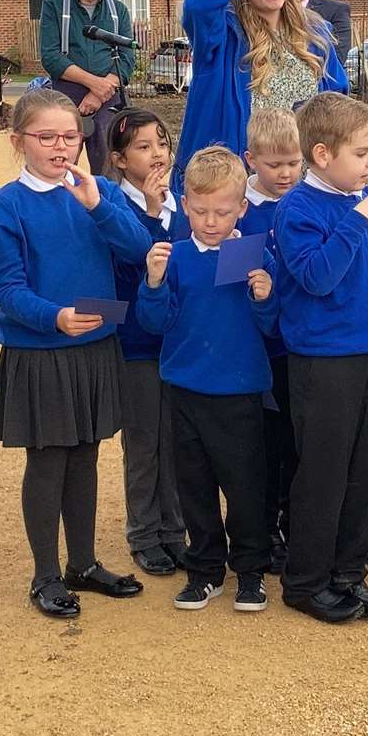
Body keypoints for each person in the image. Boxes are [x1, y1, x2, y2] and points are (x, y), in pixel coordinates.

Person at [0, 88, 153, 620]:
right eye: (47, 137)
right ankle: (45, 575)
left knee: (86, 453)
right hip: (42, 349)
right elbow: (6, 288)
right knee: (49, 460)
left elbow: (138, 249)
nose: (61, 147)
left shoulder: (97, 189)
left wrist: (100, 206)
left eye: (70, 137)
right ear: (19, 142)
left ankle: (83, 563)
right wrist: (52, 316)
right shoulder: (7, 204)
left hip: (95, 342)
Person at [270, 93, 368, 624]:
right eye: (363, 153)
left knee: (363, 472)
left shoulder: (363, 198)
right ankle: (307, 581)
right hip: (322, 362)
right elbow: (315, 277)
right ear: (323, 154)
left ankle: (349, 574)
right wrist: (358, 219)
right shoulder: (298, 209)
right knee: (323, 474)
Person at [137, 146, 281, 611]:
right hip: (184, 389)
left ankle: (251, 571)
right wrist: (154, 283)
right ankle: (204, 570)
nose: (211, 220)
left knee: (245, 488)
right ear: (185, 203)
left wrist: (264, 297)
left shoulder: (252, 255)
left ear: (242, 207)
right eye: (199, 211)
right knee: (193, 487)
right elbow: (153, 323)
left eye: (222, 211)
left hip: (240, 392)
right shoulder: (174, 257)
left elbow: (270, 327)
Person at [176, 0, 348, 189]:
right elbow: (199, 2)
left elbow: (337, 107)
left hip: (304, 188)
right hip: (232, 190)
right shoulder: (222, 37)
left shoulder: (316, 35)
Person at [104, 109, 187, 577]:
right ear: (118, 159)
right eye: (143, 147)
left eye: (161, 143)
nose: (157, 154)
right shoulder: (115, 206)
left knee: (173, 440)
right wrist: (153, 213)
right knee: (143, 442)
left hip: (176, 342)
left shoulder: (181, 202)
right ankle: (144, 533)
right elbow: (137, 258)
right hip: (135, 343)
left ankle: (174, 532)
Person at [238, 109, 302, 568]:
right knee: (264, 445)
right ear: (250, 160)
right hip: (259, 348)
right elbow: (233, 282)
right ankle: (262, 529)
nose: (285, 173)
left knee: (296, 442)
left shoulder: (305, 203)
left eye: (293, 164)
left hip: (298, 345)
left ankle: (291, 520)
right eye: (274, 164)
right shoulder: (241, 210)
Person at [38, 0, 134, 171]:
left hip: (109, 95)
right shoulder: (53, 5)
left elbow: (127, 58)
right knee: (61, 159)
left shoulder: (118, 10)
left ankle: (103, 202)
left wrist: (99, 93)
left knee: (109, 161)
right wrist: (93, 84)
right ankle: (60, 201)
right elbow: (51, 56)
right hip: (67, 92)